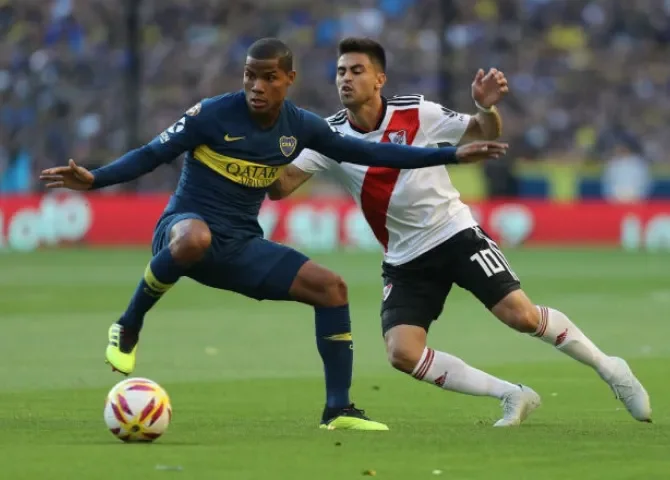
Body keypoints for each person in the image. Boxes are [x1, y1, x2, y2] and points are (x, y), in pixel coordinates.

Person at [40, 37, 507, 431]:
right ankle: (128, 325)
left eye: (268, 78)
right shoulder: (211, 114)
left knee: (331, 288)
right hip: (183, 228)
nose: (256, 87)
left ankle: (338, 410)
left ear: (288, 79)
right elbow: (150, 154)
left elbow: (373, 153)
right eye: (250, 76)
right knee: (194, 239)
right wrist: (95, 179)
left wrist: (449, 155)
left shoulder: (300, 126)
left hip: (241, 244)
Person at [268, 37, 652, 426]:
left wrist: (485, 107)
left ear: (379, 79)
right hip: (404, 258)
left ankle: (610, 368)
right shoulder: (330, 136)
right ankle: (512, 394)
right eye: (340, 72)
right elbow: (281, 187)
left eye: (356, 70)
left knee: (521, 315)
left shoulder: (416, 112)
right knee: (402, 353)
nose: (345, 79)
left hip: (454, 233)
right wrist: (263, 145)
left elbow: (482, 130)